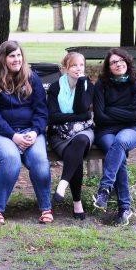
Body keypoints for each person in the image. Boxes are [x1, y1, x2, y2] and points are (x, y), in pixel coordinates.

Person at [0, 40, 52, 225]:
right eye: (12, 56)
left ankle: (45, 208)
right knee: (11, 159)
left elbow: (41, 110)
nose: (16, 59)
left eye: (19, 55)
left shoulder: (32, 78)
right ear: (3, 58)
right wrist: (13, 136)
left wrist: (36, 132)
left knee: (40, 161)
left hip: (30, 132)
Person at [91, 49, 136, 226]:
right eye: (113, 62)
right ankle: (124, 209)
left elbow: (135, 117)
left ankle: (105, 188)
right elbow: (99, 116)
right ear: (108, 66)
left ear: (128, 63)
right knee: (117, 153)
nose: (118, 64)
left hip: (131, 130)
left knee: (120, 142)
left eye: (121, 60)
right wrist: (122, 112)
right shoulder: (101, 85)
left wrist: (110, 110)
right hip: (105, 131)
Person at [47, 51, 94, 220]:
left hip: (83, 131)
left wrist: (81, 83)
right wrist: (80, 117)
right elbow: (53, 117)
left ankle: (62, 184)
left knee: (80, 141)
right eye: (74, 65)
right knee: (75, 154)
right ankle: (77, 202)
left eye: (81, 65)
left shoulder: (88, 84)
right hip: (59, 134)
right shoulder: (55, 87)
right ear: (65, 68)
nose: (78, 68)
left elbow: (82, 107)